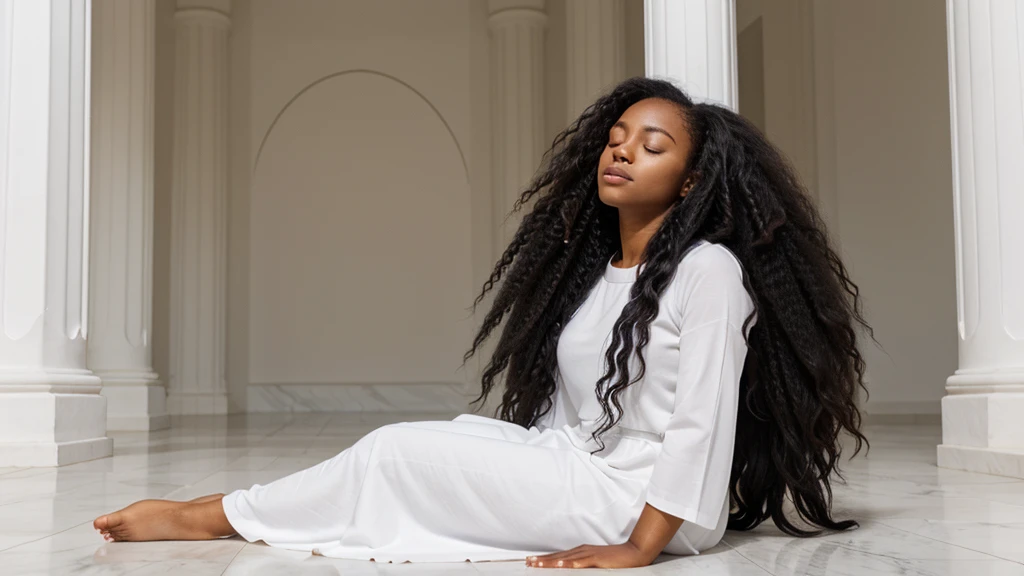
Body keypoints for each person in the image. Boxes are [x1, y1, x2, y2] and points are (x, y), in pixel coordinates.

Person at [93, 77, 873, 568]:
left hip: (645, 506)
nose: (621, 153)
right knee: (442, 437)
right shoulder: (603, 273)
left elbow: (700, 425)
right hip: (580, 466)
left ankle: (214, 516)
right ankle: (237, 511)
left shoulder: (710, 270)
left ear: (693, 178)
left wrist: (640, 547)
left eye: (651, 145)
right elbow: (574, 417)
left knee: (397, 454)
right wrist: (513, 455)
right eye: (613, 140)